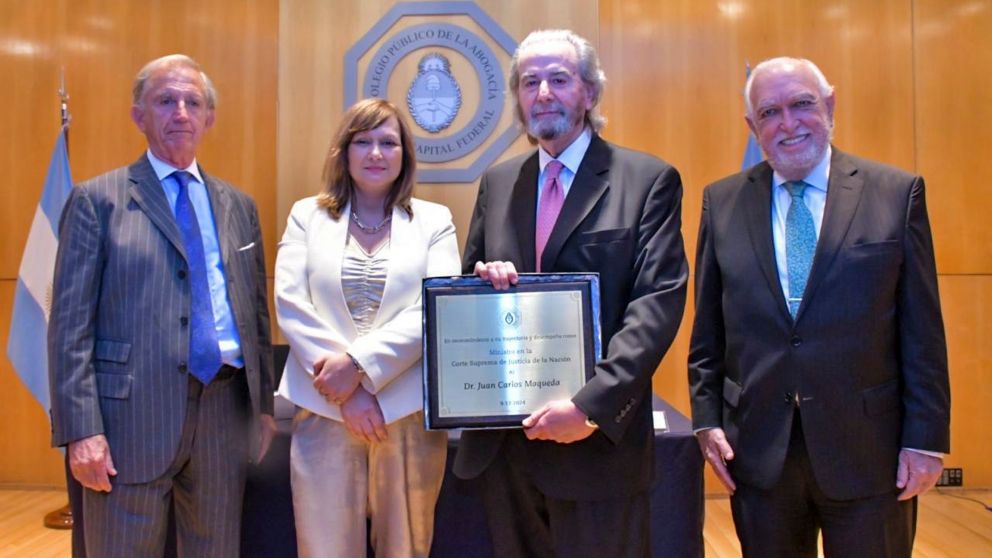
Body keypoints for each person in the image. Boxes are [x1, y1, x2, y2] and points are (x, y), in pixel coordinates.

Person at [688, 57, 950, 557]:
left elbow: (923, 329)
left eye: (802, 104)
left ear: (829, 105)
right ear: (752, 127)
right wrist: (707, 421)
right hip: (760, 452)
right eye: (769, 113)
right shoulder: (720, 203)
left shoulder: (895, 194)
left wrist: (926, 438)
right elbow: (709, 332)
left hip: (871, 451)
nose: (788, 124)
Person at [456, 29, 688, 557]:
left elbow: (656, 305)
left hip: (597, 448)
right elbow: (467, 288)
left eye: (558, 79)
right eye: (530, 82)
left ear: (589, 92)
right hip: (507, 445)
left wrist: (588, 407)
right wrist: (483, 281)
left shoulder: (647, 179)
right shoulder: (498, 181)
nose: (543, 93)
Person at [47, 54, 276, 557]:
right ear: (139, 115)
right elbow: (69, 329)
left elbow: (254, 314)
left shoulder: (238, 205)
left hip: (223, 410)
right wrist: (81, 430)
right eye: (165, 101)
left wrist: (261, 408)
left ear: (209, 117)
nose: (180, 112)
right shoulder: (97, 201)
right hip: (131, 417)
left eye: (193, 102)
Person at [275, 98, 461, 557]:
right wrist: (348, 392)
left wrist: (359, 365)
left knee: (406, 548)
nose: (376, 153)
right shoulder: (307, 216)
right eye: (364, 142)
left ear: (405, 155)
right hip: (323, 408)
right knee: (325, 549)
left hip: (406, 414)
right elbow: (291, 303)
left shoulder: (435, 221)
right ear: (344, 152)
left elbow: (434, 307)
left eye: (388, 143)